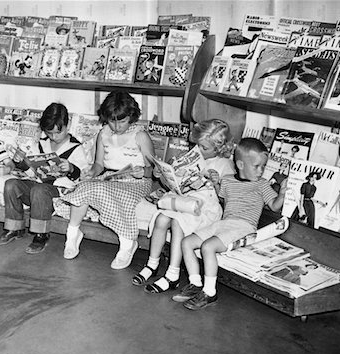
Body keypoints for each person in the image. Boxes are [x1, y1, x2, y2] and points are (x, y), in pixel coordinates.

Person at [173, 138, 287, 310]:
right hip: (224, 223)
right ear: (240, 164)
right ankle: (195, 283)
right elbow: (222, 197)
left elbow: (275, 207)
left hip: (244, 226)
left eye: (263, 166)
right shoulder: (228, 180)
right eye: (256, 166)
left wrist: (283, 194)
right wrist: (216, 183)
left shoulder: (262, 185)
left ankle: (210, 292)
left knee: (207, 247)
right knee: (187, 242)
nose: (261, 171)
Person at [132, 118, 235, 294]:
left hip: (206, 210)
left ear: (219, 147)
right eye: (198, 146)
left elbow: (229, 196)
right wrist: (162, 175)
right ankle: (152, 264)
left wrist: (217, 183)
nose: (199, 151)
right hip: (186, 203)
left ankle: (173, 273)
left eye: (204, 148)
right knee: (161, 218)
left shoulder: (224, 164)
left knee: (177, 222)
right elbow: (172, 186)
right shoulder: (191, 157)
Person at [55, 91, 155, 269]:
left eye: (122, 121)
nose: (116, 126)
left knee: (101, 189)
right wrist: (90, 173)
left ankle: (127, 243)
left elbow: (153, 170)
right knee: (83, 187)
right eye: (112, 121)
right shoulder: (103, 134)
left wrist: (143, 172)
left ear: (131, 117)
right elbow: (99, 165)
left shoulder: (140, 136)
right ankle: (72, 235)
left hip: (136, 181)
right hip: (109, 178)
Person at [0, 102, 89, 254]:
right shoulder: (40, 143)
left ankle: (41, 234)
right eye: (50, 133)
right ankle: (14, 228)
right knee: (11, 184)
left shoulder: (76, 147)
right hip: (37, 188)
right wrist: (21, 163)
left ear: (67, 124)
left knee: (39, 189)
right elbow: (31, 171)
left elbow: (82, 177)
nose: (54, 137)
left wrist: (71, 168)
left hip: (58, 194)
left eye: (58, 132)